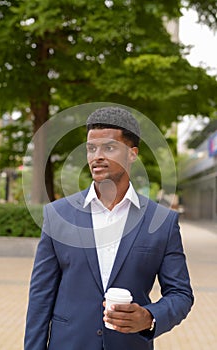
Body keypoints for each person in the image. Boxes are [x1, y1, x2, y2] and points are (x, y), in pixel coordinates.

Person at [24, 106, 194, 350]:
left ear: (132, 154)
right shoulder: (57, 215)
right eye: (91, 148)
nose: (97, 156)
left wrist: (148, 317)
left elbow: (180, 294)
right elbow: (41, 297)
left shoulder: (162, 222)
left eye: (109, 148)